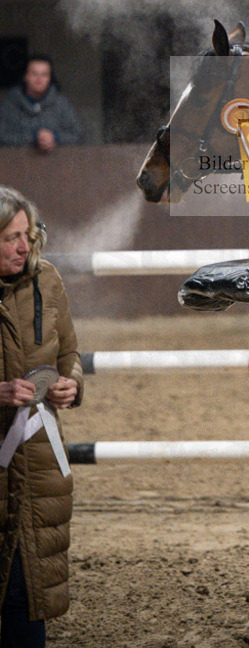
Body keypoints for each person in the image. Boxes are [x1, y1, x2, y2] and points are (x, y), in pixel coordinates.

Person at [0, 186, 83, 647]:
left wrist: (71, 383)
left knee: (28, 592)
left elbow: (69, 351)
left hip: (38, 463)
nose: (24, 246)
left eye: (27, 234)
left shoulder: (47, 281)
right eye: (11, 237)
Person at [0, 56, 85, 151]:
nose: (39, 79)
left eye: (44, 75)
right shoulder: (9, 103)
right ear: (25, 76)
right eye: (34, 74)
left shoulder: (61, 104)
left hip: (56, 164)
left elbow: (78, 135)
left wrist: (55, 138)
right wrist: (34, 138)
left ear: (50, 78)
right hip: (15, 163)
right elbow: (2, 136)